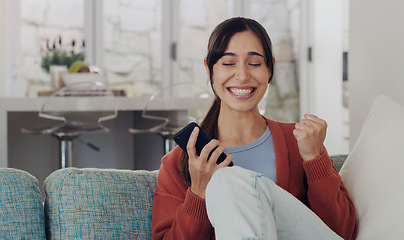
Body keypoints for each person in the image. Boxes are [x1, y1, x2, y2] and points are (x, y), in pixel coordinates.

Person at [151, 17, 357, 240]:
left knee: (228, 180)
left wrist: (314, 159)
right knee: (227, 181)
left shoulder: (299, 142)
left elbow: (342, 232)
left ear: (270, 69)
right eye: (228, 63)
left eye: (255, 64)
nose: (242, 75)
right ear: (210, 70)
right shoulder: (180, 162)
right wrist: (199, 194)